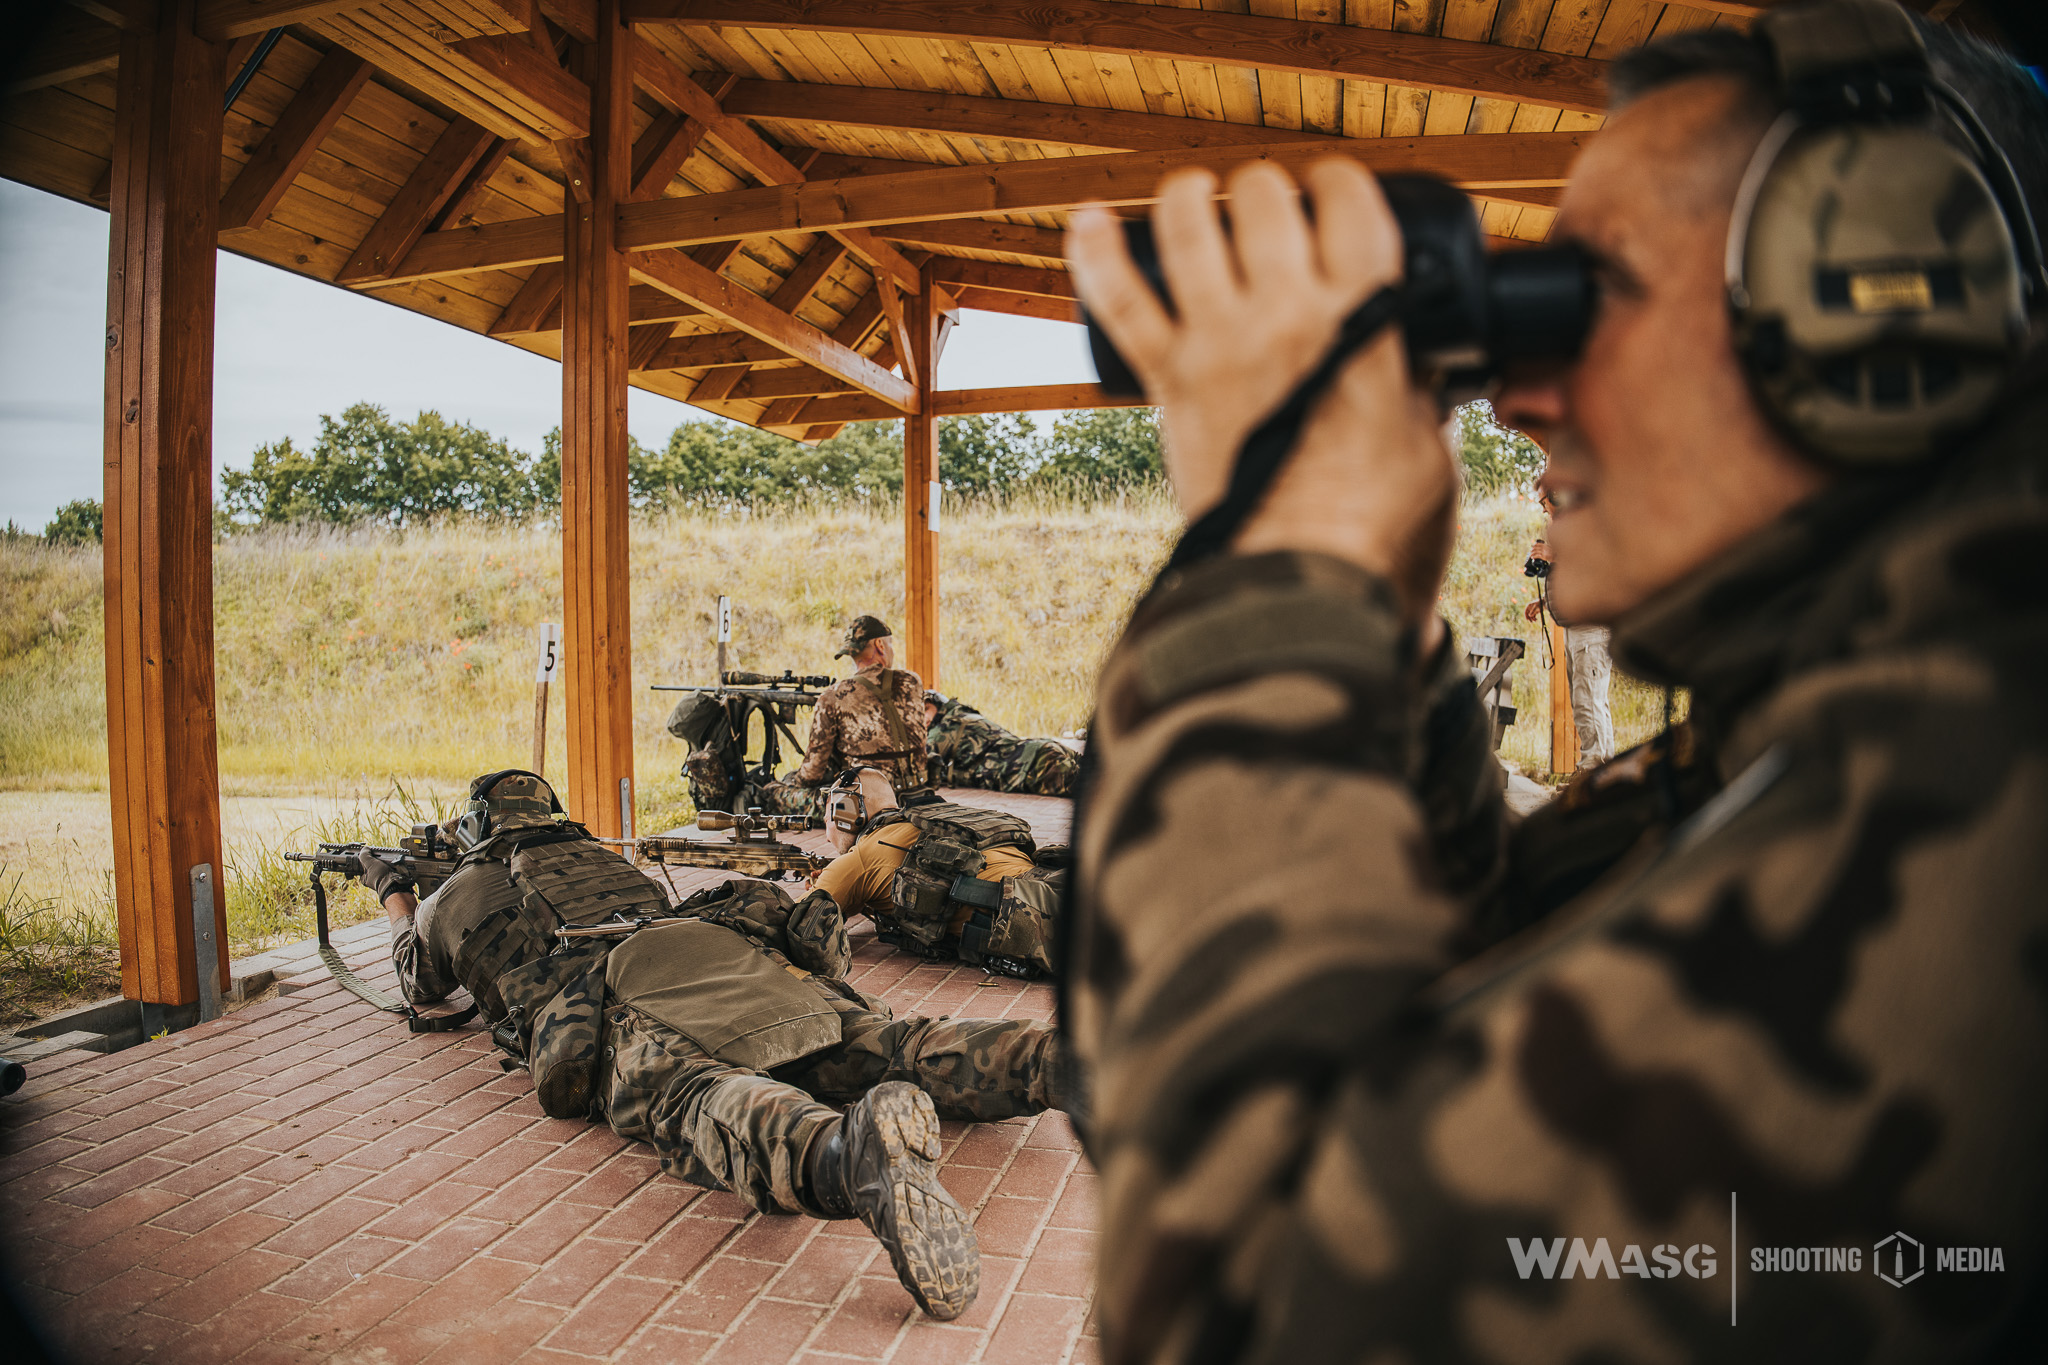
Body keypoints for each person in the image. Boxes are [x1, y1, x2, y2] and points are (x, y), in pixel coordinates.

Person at [1064, 3, 2048, 1360]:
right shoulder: (1832, 727)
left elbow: (1257, 1311)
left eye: (1590, 295)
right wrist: (1385, 629)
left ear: (1881, 289)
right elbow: (1493, 1001)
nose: (1515, 394)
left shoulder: (1993, 786)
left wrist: (1275, 589)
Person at [359, 769, 1072, 1320]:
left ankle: (844, 1153)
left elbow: (420, 984)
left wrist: (396, 890)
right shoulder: (598, 855)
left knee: (699, 1093)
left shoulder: (448, 896)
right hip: (716, 948)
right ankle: (1046, 1060)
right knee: (879, 1041)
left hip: (610, 989)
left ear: (475, 831)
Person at [805, 766, 1063, 976]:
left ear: (847, 810)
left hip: (1037, 917)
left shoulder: (861, 857)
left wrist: (829, 887)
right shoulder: (937, 822)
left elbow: (802, 920)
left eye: (829, 810)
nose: (826, 821)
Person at [742, 615, 928, 819]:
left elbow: (812, 772)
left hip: (867, 805)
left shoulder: (834, 696)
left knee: (771, 793)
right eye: (891, 644)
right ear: (880, 645)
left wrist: (792, 782)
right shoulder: (912, 681)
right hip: (916, 792)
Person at [1525, 496, 1616, 768]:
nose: (1543, 507)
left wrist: (1555, 555)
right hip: (1576, 629)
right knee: (1585, 702)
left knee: (1589, 702)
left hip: (1591, 629)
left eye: (1545, 501)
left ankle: (1593, 771)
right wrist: (1545, 602)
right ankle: (1600, 773)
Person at [924, 691, 1084, 798]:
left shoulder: (944, 728)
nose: (923, 718)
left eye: (925, 709)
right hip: (1042, 749)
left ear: (938, 705)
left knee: (1099, 793)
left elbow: (918, 764)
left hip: (1033, 767)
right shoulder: (964, 715)